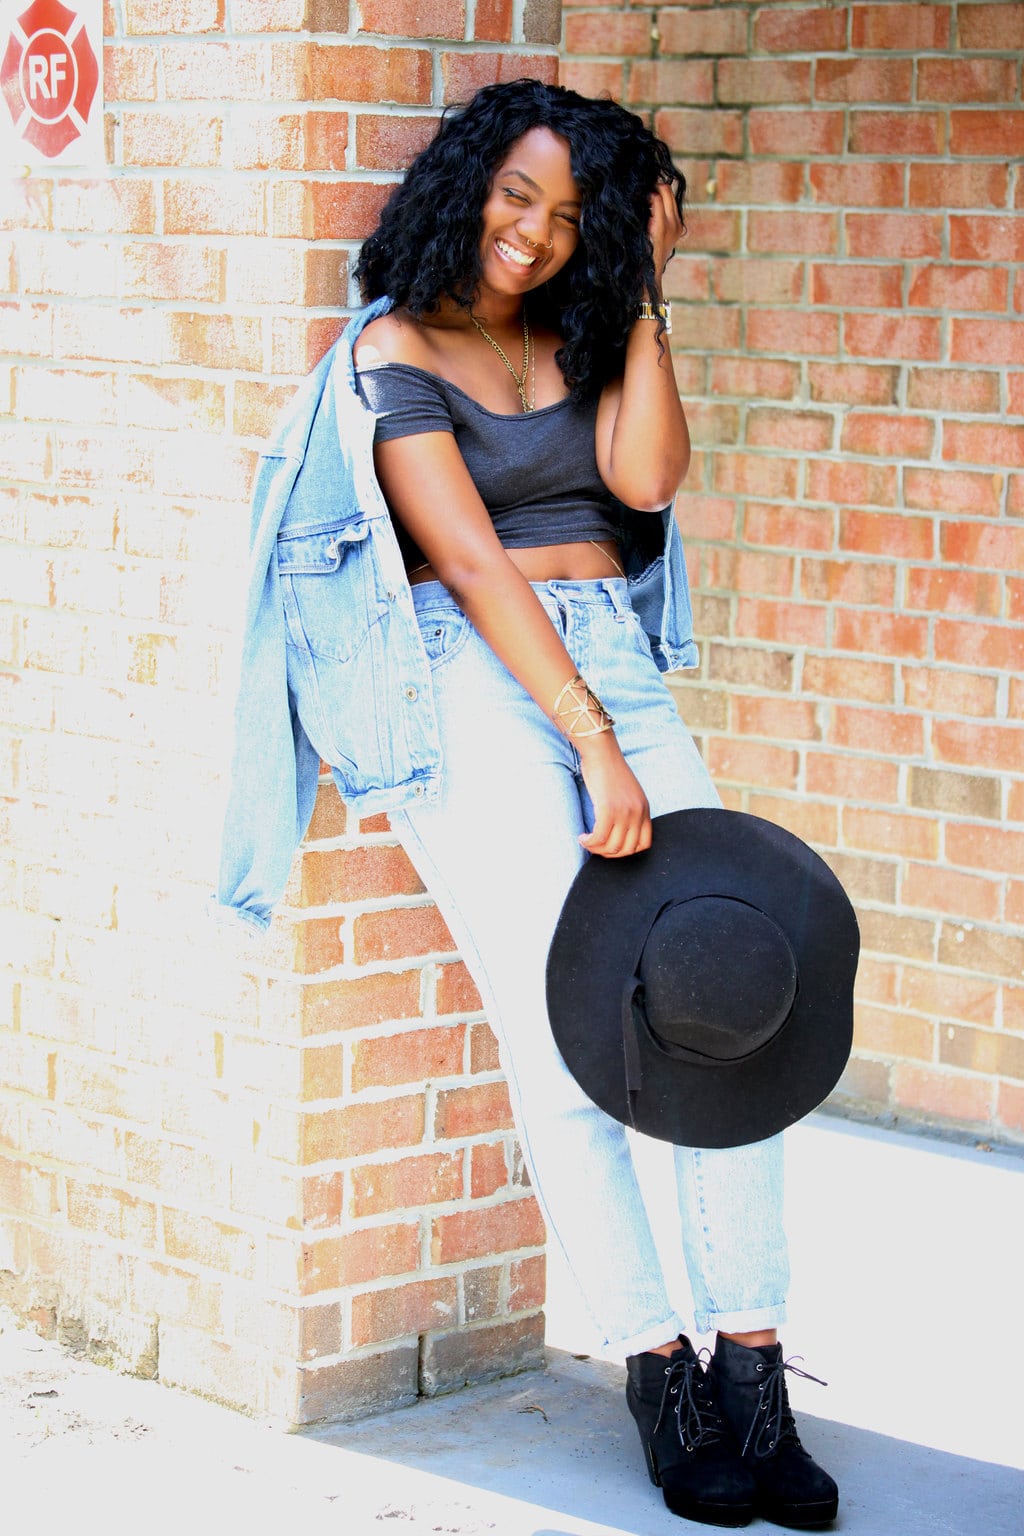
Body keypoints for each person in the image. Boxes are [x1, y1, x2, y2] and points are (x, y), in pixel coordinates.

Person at [218, 77, 838, 1530]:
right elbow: (478, 566)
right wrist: (593, 745)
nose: (535, 233)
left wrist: (648, 296)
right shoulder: (389, 349)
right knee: (568, 1041)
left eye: (572, 217)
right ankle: (660, 1368)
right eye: (518, 197)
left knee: (731, 1007)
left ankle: (754, 1364)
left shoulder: (584, 323)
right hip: (466, 679)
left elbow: (646, 476)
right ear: (468, 184)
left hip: (615, 648)